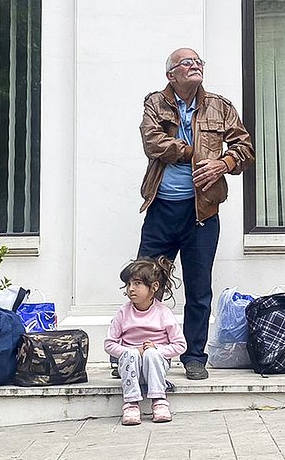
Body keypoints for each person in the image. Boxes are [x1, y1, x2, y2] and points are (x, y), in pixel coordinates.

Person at [137, 47, 254, 380]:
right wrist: (193, 152)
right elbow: (153, 143)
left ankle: (194, 356)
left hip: (202, 213)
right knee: (146, 282)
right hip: (161, 209)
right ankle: (142, 350)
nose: (195, 66)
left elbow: (245, 148)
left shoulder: (220, 105)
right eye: (186, 63)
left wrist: (223, 163)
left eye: (198, 62)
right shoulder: (155, 104)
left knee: (199, 288)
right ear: (170, 74)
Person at [104, 257, 187, 425]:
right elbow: (109, 344)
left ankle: (159, 400)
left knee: (151, 354)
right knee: (131, 354)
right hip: (130, 367)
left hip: (155, 367)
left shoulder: (163, 313)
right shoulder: (123, 313)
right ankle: (131, 404)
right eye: (129, 284)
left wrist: (158, 349)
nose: (131, 289)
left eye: (137, 284)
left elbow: (180, 345)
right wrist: (130, 351)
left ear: (154, 287)